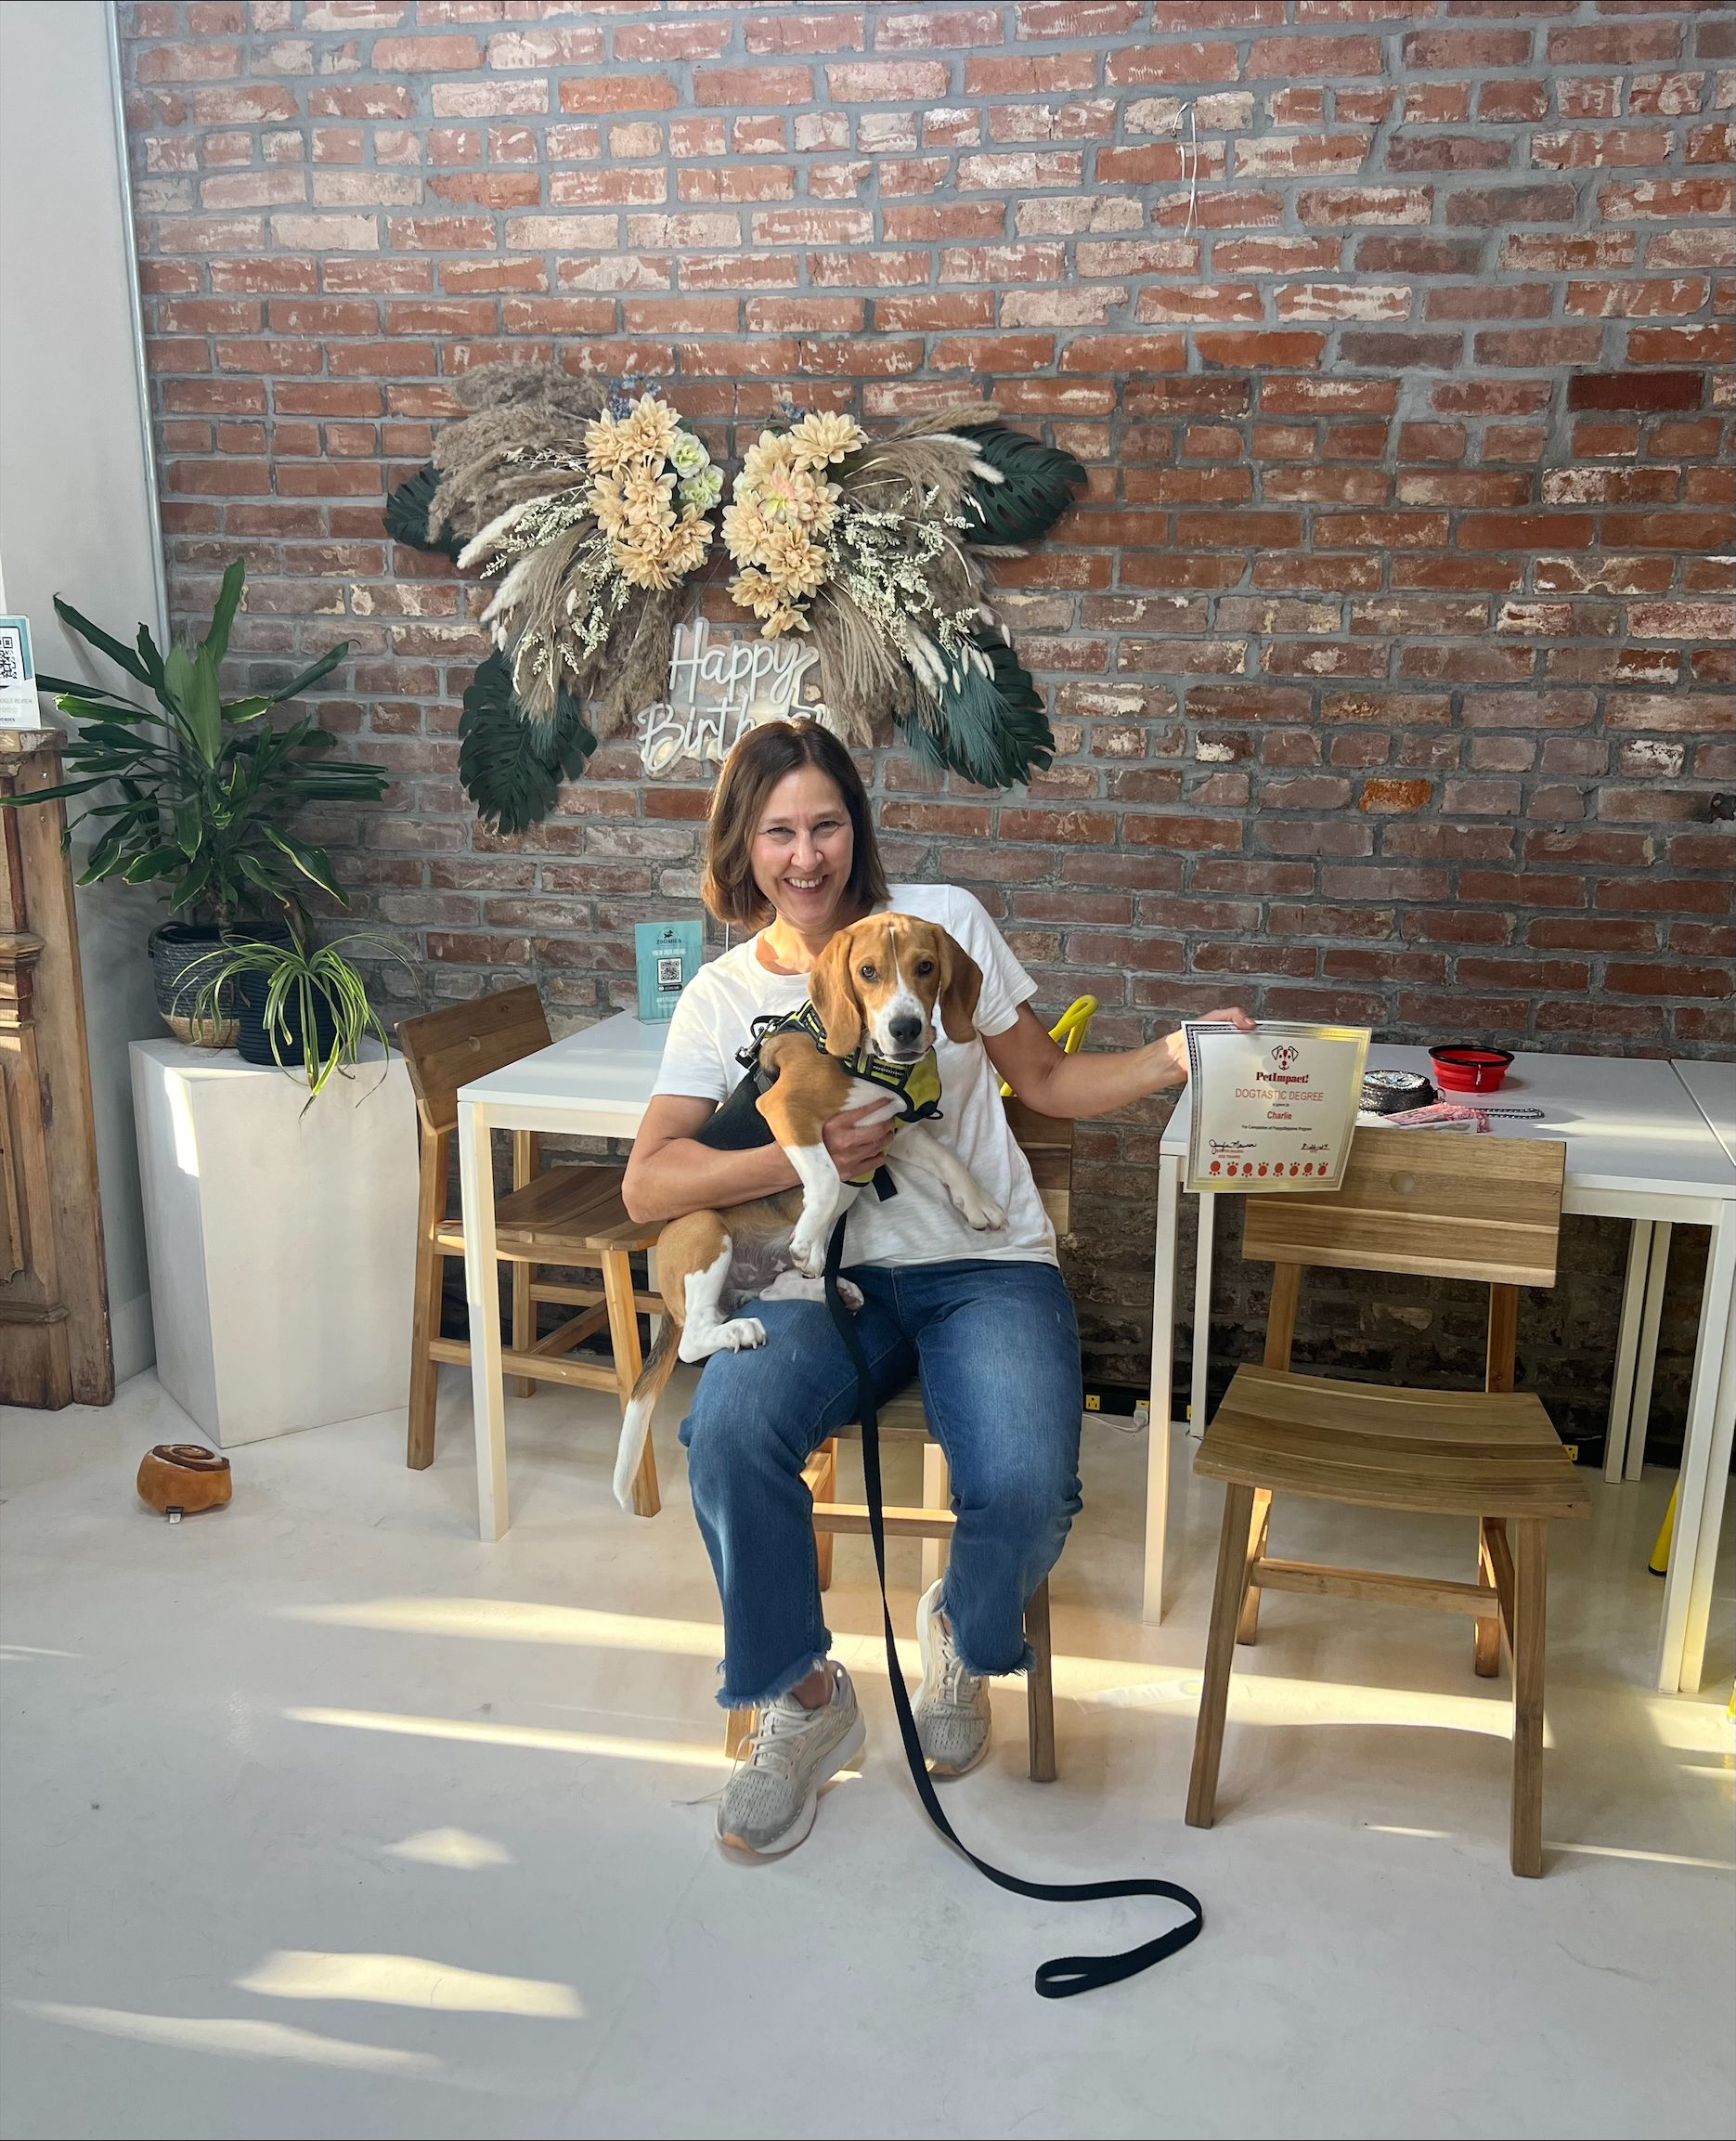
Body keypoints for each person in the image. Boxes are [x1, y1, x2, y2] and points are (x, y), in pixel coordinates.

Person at [623, 719, 1252, 1858]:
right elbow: (648, 1180)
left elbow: (1048, 1080)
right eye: (778, 831)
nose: (805, 855)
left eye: (824, 824)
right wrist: (808, 1158)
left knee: (1023, 1485)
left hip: (980, 1265)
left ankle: (962, 1626)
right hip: (813, 1272)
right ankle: (803, 1699)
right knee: (725, 1435)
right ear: (742, 845)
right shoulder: (721, 994)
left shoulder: (943, 922)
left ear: (855, 825)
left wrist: (1172, 1055)